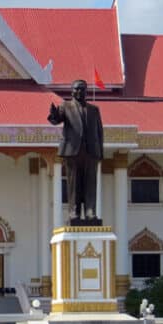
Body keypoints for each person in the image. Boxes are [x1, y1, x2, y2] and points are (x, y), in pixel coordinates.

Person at [48, 79, 104, 223]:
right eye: (76, 89)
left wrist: (100, 152)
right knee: (74, 184)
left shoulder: (94, 110)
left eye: (81, 89)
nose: (78, 92)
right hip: (73, 151)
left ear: (86, 91)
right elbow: (56, 120)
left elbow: (99, 132)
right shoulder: (66, 106)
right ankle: (74, 212)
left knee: (91, 182)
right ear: (71, 91)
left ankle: (90, 211)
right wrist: (53, 114)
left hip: (91, 151)